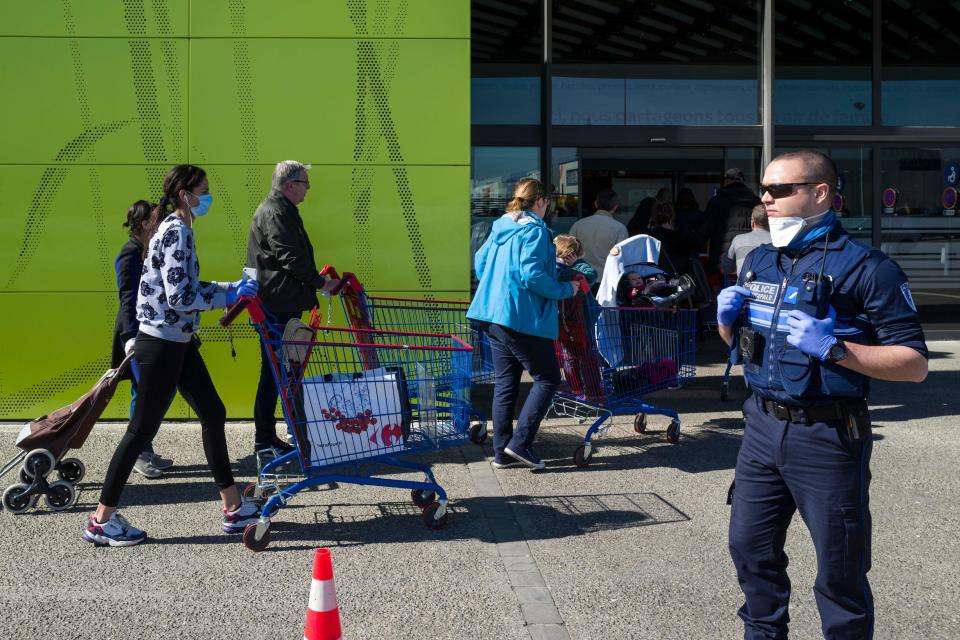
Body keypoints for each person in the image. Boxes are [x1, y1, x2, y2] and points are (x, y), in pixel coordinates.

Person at [717, 150, 928, 638]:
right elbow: (744, 345)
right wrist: (727, 324)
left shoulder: (869, 269)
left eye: (781, 189)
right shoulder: (760, 260)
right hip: (762, 429)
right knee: (749, 548)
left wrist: (834, 349)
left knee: (840, 567)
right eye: (764, 189)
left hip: (828, 436)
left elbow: (914, 365)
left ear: (820, 194)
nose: (766, 198)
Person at [83, 164, 261, 547]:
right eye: (204, 190)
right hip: (162, 344)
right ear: (185, 194)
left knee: (213, 411)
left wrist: (233, 287)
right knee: (139, 432)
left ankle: (232, 507)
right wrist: (229, 296)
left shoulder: (172, 228)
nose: (208, 197)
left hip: (176, 341)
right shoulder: (177, 231)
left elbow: (185, 287)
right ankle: (101, 521)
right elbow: (182, 297)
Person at [467, 178, 579, 471]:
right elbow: (533, 276)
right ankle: (520, 443)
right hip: (520, 317)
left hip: (491, 315)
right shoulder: (536, 232)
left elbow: (480, 265)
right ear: (541, 201)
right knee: (548, 378)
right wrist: (567, 290)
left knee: (505, 383)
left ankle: (502, 452)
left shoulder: (501, 227)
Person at [246, 160, 340, 456]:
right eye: (304, 183)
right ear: (289, 185)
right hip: (278, 306)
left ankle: (283, 432)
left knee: (279, 371)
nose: (308, 189)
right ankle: (275, 436)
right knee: (279, 371)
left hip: (279, 302)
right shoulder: (276, 212)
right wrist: (320, 283)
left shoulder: (280, 210)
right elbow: (289, 258)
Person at [112, 200, 175, 479]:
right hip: (138, 336)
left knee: (159, 392)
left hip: (154, 333)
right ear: (144, 223)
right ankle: (140, 452)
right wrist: (129, 338)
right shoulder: (130, 254)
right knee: (145, 394)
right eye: (155, 220)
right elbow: (127, 298)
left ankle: (144, 445)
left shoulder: (148, 251)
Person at [702, 168, 762, 274]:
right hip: (750, 261)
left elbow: (706, 230)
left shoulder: (717, 201)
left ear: (727, 181)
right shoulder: (756, 202)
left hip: (722, 262)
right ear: (742, 181)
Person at [569, 188, 628, 281]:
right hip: (606, 279)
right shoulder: (620, 228)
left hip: (581, 277)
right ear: (615, 207)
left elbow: (569, 251)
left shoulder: (578, 224)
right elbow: (621, 258)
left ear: (596, 204)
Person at [645, 202, 701, 276]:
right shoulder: (683, 236)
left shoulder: (650, 238)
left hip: (659, 277)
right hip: (681, 277)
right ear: (673, 216)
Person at [722, 204, 771, 277]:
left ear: (753, 222)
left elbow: (727, 268)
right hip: (770, 284)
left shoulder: (738, 239)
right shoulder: (777, 240)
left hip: (744, 284)